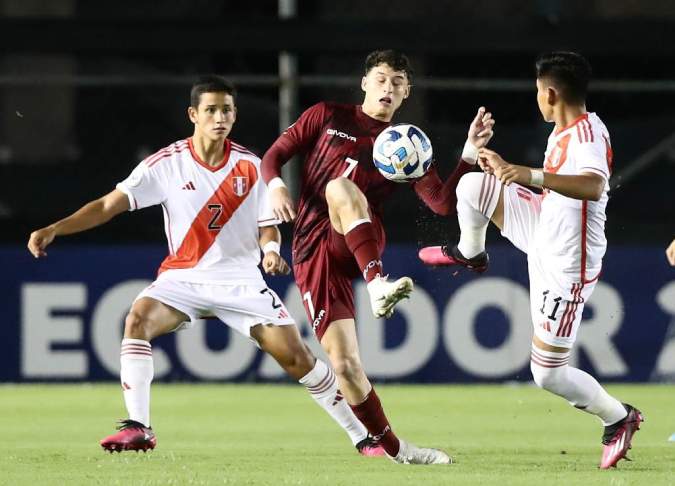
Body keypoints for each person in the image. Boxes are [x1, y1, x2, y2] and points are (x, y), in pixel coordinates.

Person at [27, 75, 385, 456]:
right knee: (137, 321)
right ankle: (139, 427)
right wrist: (56, 228)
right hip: (184, 278)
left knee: (298, 359)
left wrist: (270, 251)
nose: (220, 118)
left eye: (227, 110)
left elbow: (268, 228)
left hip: (240, 282)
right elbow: (106, 206)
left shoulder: (252, 166)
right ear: (193, 115)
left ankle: (362, 437)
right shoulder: (166, 164)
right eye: (211, 110)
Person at [261, 49, 495, 464]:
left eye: (398, 83)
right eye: (382, 79)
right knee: (346, 367)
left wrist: (469, 154)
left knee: (339, 189)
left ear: (406, 93)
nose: (389, 87)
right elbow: (274, 156)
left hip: (364, 242)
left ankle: (376, 284)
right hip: (313, 250)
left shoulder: (406, 143)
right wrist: (277, 187)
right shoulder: (327, 115)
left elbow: (441, 204)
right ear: (365, 82)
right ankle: (397, 449)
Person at [419, 51, 643, 469]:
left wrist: (526, 174)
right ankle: (471, 251)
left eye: (538, 92)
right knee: (473, 187)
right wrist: (499, 167)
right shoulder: (561, 130)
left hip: (566, 264)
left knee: (548, 374)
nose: (537, 99)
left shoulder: (587, 134)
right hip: (541, 227)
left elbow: (594, 186)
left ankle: (618, 417)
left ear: (551, 92)